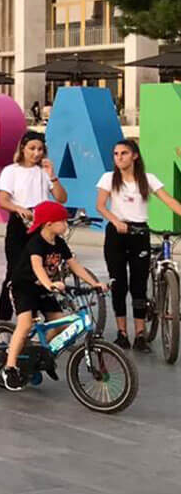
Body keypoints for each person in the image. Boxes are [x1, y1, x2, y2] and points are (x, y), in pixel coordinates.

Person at [0, 202, 107, 391]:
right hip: (23, 287)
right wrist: (49, 284)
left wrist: (94, 283)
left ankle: (40, 352)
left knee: (62, 323)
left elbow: (75, 265)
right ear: (48, 223)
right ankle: (10, 367)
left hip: (44, 289)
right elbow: (37, 267)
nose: (66, 224)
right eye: (62, 221)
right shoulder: (35, 242)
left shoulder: (59, 242)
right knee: (24, 324)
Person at [96, 138, 181, 351]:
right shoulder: (108, 178)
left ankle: (140, 334)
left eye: (123, 153)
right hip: (116, 234)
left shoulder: (147, 179)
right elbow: (100, 205)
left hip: (139, 233)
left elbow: (169, 200)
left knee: (138, 285)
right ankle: (122, 332)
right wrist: (115, 221)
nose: (119, 158)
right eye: (115, 154)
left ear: (134, 155)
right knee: (119, 284)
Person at [0, 131, 67, 322]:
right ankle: (4, 320)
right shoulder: (11, 170)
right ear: (23, 148)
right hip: (20, 223)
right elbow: (3, 199)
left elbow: (61, 198)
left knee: (40, 272)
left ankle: (34, 319)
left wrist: (52, 176)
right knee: (15, 272)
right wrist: (18, 208)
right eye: (32, 149)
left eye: (40, 149)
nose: (36, 153)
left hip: (42, 225)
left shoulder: (43, 172)